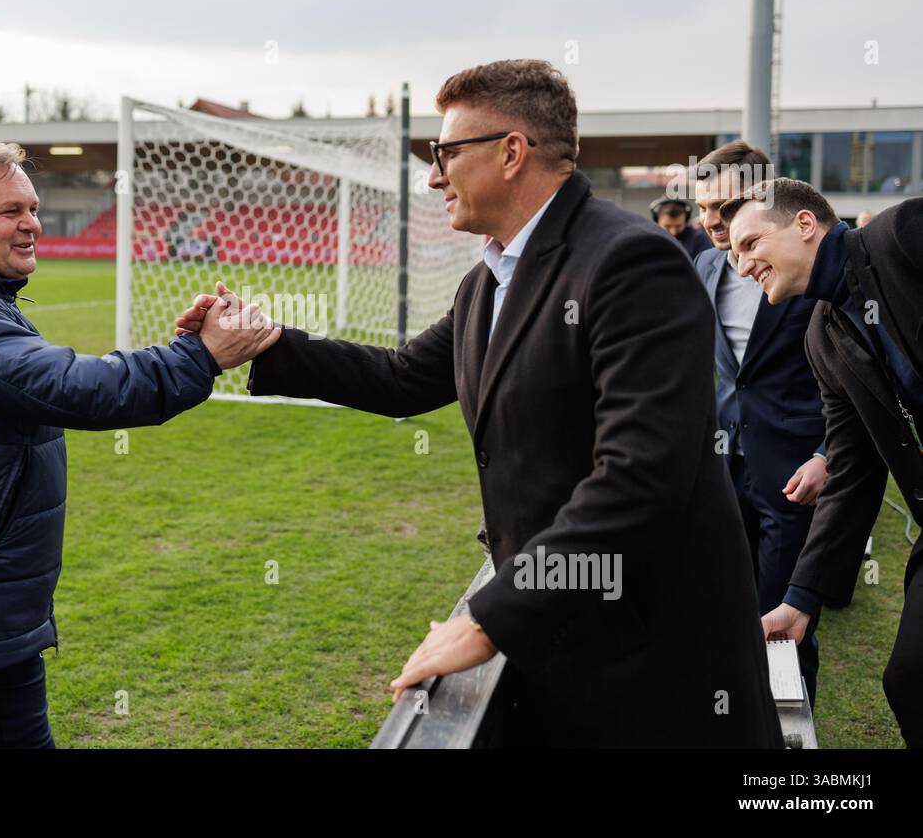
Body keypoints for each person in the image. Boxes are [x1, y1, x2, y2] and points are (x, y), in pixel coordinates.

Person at [177, 60, 781, 747]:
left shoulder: (630, 264)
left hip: (654, 667)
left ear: (511, 152)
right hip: (566, 645)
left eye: (446, 154)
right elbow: (403, 377)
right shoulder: (488, 279)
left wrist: (489, 619)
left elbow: (641, 477)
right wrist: (269, 343)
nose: (434, 176)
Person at [0, 139, 279, 748]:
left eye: (33, 208)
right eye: (10, 211)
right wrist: (199, 355)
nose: (31, 224)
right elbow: (76, 388)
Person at [723, 180, 923, 747]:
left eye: (750, 243)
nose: (741, 266)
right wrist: (800, 599)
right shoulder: (823, 336)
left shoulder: (904, 233)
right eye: (733, 254)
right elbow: (853, 470)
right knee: (911, 679)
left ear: (805, 225)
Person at [691, 141, 828, 707]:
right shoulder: (701, 265)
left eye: (723, 209)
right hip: (719, 470)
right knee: (721, 611)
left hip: (792, 476)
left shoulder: (815, 270)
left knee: (785, 621)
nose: (710, 223)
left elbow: (850, 381)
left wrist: (829, 456)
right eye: (702, 209)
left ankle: (788, 747)